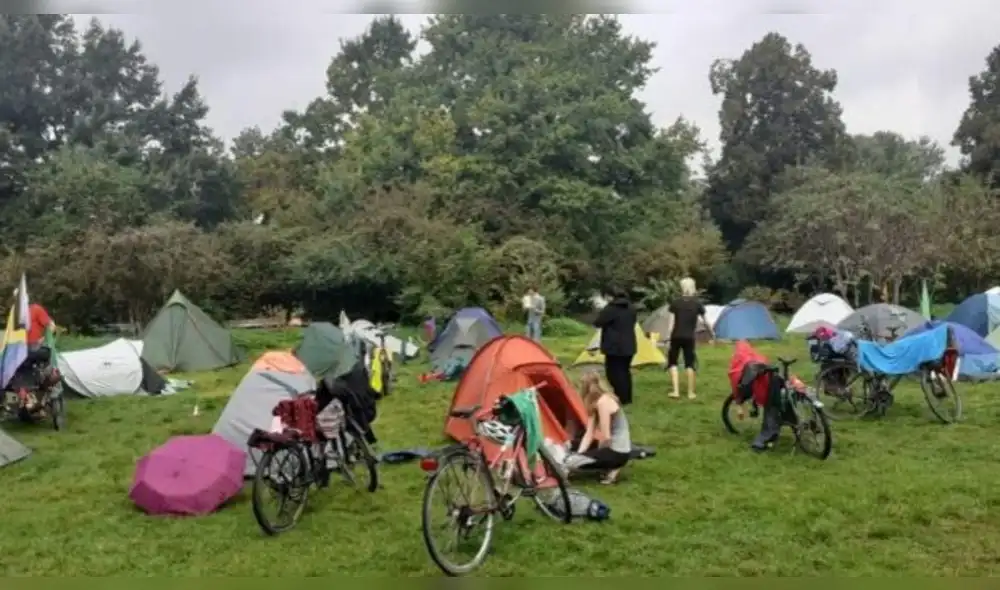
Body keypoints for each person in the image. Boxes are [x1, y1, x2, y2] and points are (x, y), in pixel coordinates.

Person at [570, 371, 632, 484]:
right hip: (619, 449)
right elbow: (589, 434)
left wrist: (595, 454)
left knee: (573, 463)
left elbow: (605, 437)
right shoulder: (597, 402)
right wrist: (579, 454)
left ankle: (613, 467)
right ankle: (611, 468)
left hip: (617, 452)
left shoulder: (603, 403)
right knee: (573, 447)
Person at [666, 277, 713, 400]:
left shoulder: (675, 303)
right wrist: (712, 333)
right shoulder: (697, 304)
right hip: (689, 337)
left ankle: (675, 391)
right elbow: (706, 322)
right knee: (689, 364)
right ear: (693, 288)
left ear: (681, 288)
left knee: (673, 362)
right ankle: (691, 393)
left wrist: (667, 337)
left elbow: (670, 324)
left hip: (676, 336)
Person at [593, 287, 637, 405]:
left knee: (613, 373)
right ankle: (627, 398)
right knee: (625, 371)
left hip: (614, 346)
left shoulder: (611, 309)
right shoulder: (631, 307)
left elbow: (598, 322)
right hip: (629, 344)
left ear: (609, 296)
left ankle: (619, 397)